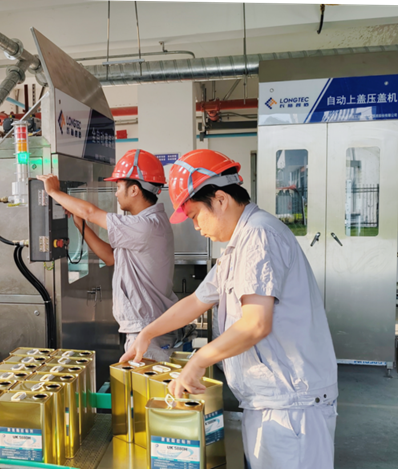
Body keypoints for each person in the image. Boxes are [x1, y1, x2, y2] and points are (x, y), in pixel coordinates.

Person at [120, 149, 338, 469]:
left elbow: (255, 324)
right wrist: (147, 334)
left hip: (292, 408)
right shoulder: (238, 246)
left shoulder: (259, 236)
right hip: (268, 402)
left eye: (195, 215)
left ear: (220, 199)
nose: (196, 226)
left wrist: (199, 361)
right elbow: (197, 301)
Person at [38, 149, 193, 362]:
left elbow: (91, 212)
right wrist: (80, 224)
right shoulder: (145, 223)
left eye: (118, 187)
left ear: (134, 190)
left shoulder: (145, 225)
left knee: (146, 382)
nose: (116, 193)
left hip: (148, 330)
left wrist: (54, 192)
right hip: (147, 327)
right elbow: (110, 257)